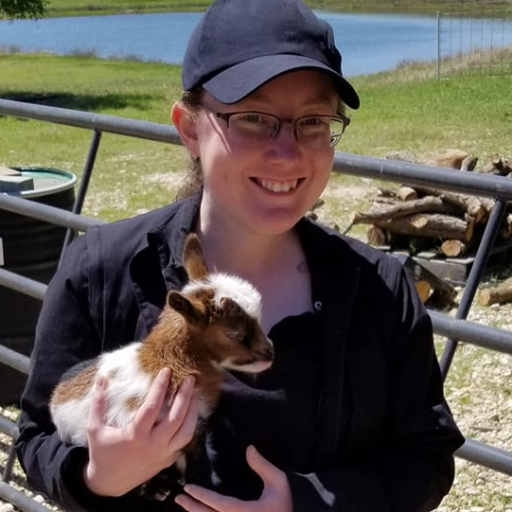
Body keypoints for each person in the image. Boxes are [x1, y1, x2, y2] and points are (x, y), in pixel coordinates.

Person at [15, 0, 465, 510]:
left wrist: (308, 502)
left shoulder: (379, 289)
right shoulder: (100, 271)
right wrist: (99, 476)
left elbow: (426, 456)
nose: (288, 153)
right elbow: (36, 440)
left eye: (314, 121)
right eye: (253, 117)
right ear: (189, 127)